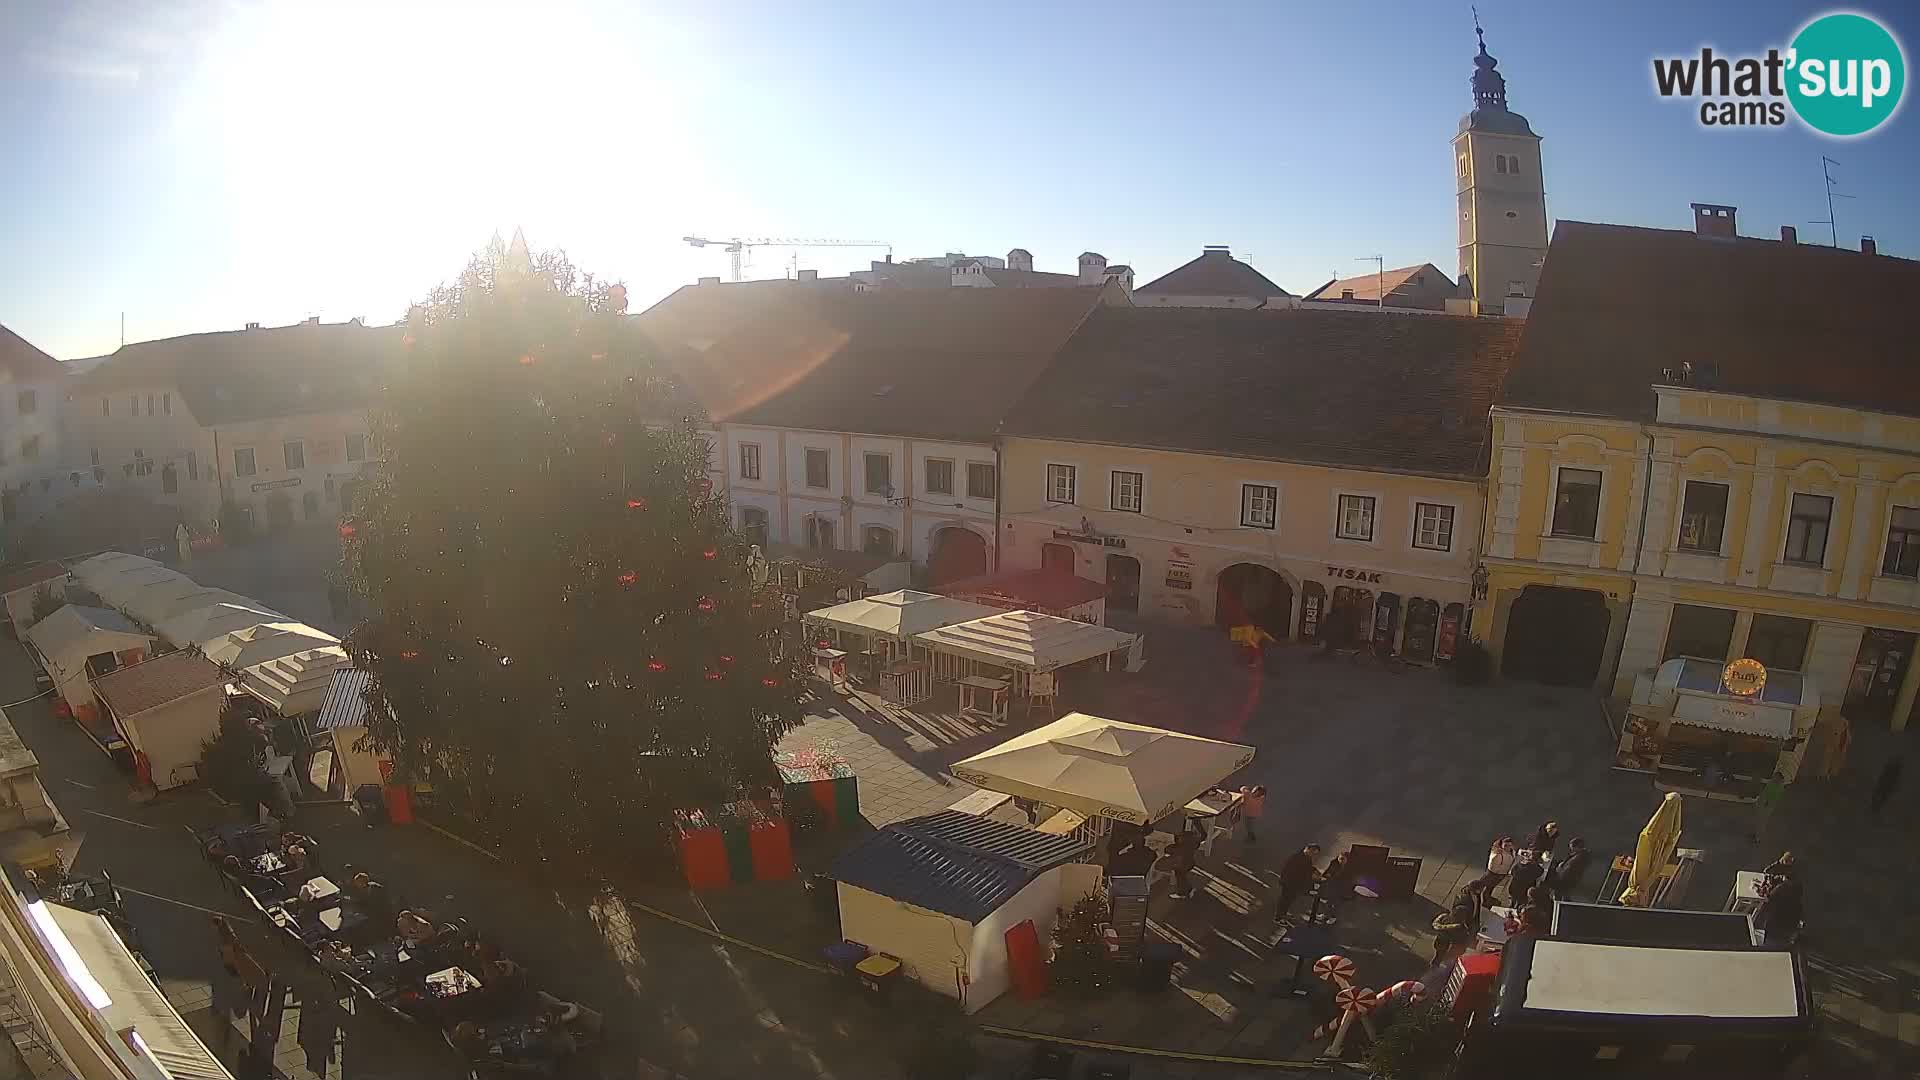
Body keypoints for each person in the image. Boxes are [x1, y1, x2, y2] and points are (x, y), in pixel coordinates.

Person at [1274, 843, 1323, 923]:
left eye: (1315, 854)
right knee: (1284, 900)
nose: (1313, 855)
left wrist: (1314, 870)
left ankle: (1283, 913)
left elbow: (1307, 867)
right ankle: (1278, 918)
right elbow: (1290, 870)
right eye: (1313, 852)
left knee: (1289, 900)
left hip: (1296, 884)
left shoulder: (1307, 857)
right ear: (1308, 849)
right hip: (1289, 882)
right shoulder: (1296, 857)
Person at [1755, 868, 1804, 946]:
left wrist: (1759, 889)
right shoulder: (1798, 887)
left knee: (1771, 943)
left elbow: (1768, 898)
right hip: (1792, 921)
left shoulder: (1781, 888)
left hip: (1776, 922)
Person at [1430, 898, 1477, 966]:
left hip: (1441, 942)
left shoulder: (1445, 917)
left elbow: (1436, 925)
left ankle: (1435, 963)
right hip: (1448, 946)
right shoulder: (1460, 927)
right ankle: (1437, 965)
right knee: (1443, 958)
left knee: (1439, 955)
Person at [1751, 772, 1787, 842]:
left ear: (1778, 778)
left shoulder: (1779, 787)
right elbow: (1765, 791)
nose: (1773, 777)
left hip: (1767, 806)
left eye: (1775, 777)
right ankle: (1756, 835)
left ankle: (1758, 837)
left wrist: (1766, 803)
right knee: (1759, 820)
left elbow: (1774, 797)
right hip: (1763, 803)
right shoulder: (1772, 782)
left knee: (1761, 822)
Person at [1165, 830, 1200, 899]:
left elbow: (1168, 849)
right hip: (1189, 863)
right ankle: (1189, 889)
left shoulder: (1180, 848)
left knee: (1180, 878)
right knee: (1182, 877)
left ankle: (1183, 893)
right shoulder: (1191, 846)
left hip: (1181, 865)